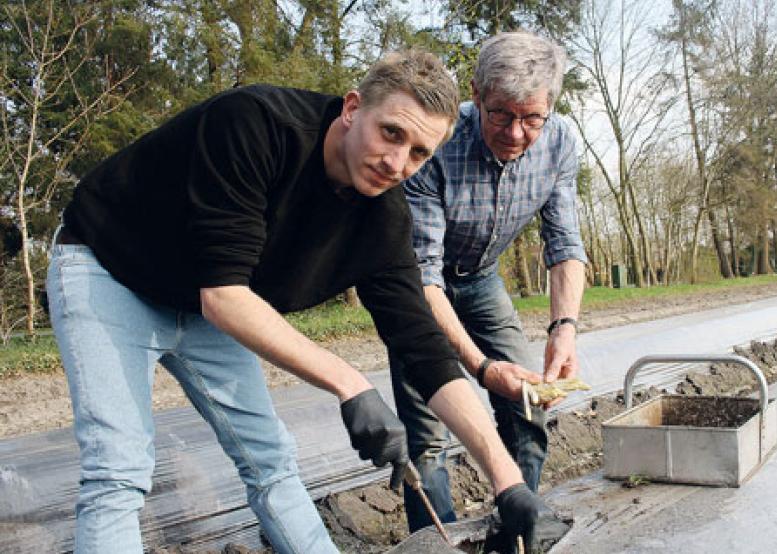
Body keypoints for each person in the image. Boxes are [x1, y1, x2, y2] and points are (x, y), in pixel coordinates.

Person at [47, 50, 544, 554]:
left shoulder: (385, 222)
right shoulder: (257, 125)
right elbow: (223, 296)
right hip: (108, 267)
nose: (397, 164)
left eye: (419, 153)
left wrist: (509, 485)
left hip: (199, 301)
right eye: (391, 133)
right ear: (352, 108)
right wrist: (350, 383)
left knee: (272, 461)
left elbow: (425, 352)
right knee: (119, 468)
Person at [390, 32, 587, 533]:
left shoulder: (561, 141)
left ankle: (516, 529)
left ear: (550, 109)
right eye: (500, 113)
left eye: (531, 118)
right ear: (476, 94)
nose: (516, 133)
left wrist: (564, 326)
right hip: (416, 287)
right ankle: (440, 542)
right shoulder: (436, 141)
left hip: (481, 280)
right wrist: (479, 368)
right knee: (428, 432)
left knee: (527, 406)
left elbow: (564, 244)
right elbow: (423, 273)